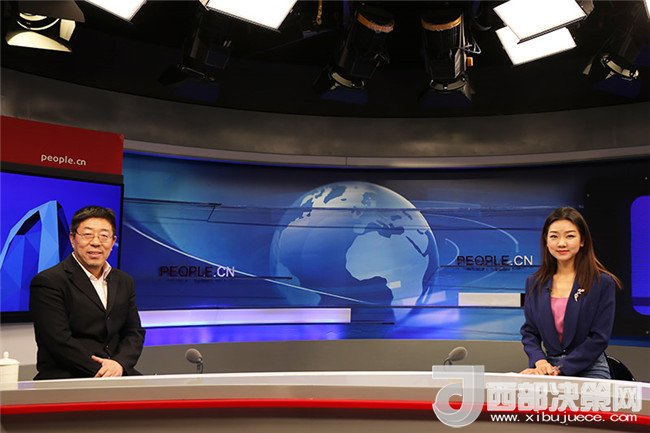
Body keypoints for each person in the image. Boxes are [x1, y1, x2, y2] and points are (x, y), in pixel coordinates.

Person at [30, 206, 145, 379]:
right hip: (68, 376)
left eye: (104, 236)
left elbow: (134, 331)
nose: (96, 242)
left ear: (113, 241)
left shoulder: (124, 281)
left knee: (160, 393)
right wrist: (104, 372)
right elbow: (58, 340)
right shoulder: (49, 281)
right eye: (88, 234)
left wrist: (120, 364)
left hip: (116, 372)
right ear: (72, 239)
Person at [520, 207, 621, 379]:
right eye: (554, 236)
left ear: (582, 240)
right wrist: (540, 362)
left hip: (590, 368)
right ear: (546, 241)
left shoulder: (602, 283)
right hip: (548, 367)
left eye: (570, 236)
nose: (561, 243)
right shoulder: (534, 283)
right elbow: (530, 332)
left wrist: (561, 368)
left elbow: (599, 338)